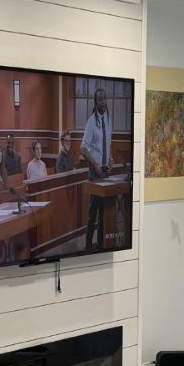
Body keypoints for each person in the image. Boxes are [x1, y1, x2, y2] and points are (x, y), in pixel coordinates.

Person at [81, 87, 114, 249]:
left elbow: (109, 143)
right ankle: (87, 247)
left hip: (106, 172)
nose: (103, 102)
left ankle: (101, 246)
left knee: (104, 213)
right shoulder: (91, 122)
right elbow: (83, 148)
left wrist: (111, 159)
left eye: (105, 99)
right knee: (92, 214)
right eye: (100, 99)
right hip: (95, 173)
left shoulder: (108, 119)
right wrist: (95, 165)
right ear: (96, 102)